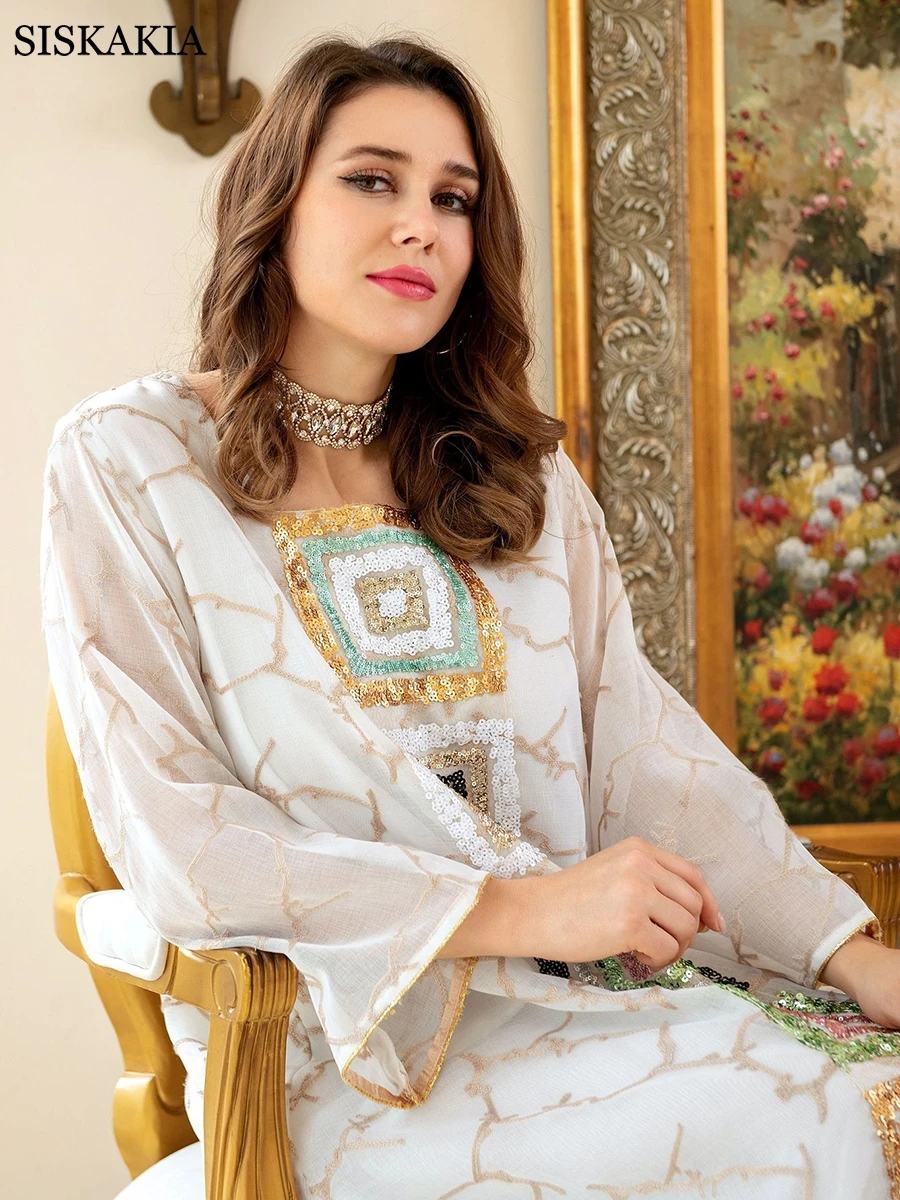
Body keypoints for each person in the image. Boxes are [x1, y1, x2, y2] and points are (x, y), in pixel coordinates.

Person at [39, 31, 900, 1200]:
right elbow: (181, 839)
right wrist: (520, 908)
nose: (421, 227)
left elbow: (648, 759)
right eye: (372, 180)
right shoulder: (132, 462)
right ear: (273, 202)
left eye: (454, 199)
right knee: (811, 1102)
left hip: (590, 1007)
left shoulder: (515, 477)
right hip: (332, 1058)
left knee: (872, 1079)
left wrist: (848, 954)